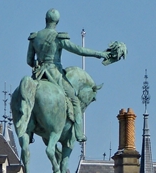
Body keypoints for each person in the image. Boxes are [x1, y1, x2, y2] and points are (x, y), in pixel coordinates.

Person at [26, 9, 109, 142]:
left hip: (38, 75)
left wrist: (38, 64)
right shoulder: (57, 38)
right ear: (57, 22)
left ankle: (28, 131)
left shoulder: (35, 37)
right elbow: (79, 50)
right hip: (55, 74)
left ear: (45, 20)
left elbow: (29, 61)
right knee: (75, 101)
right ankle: (78, 133)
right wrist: (100, 54)